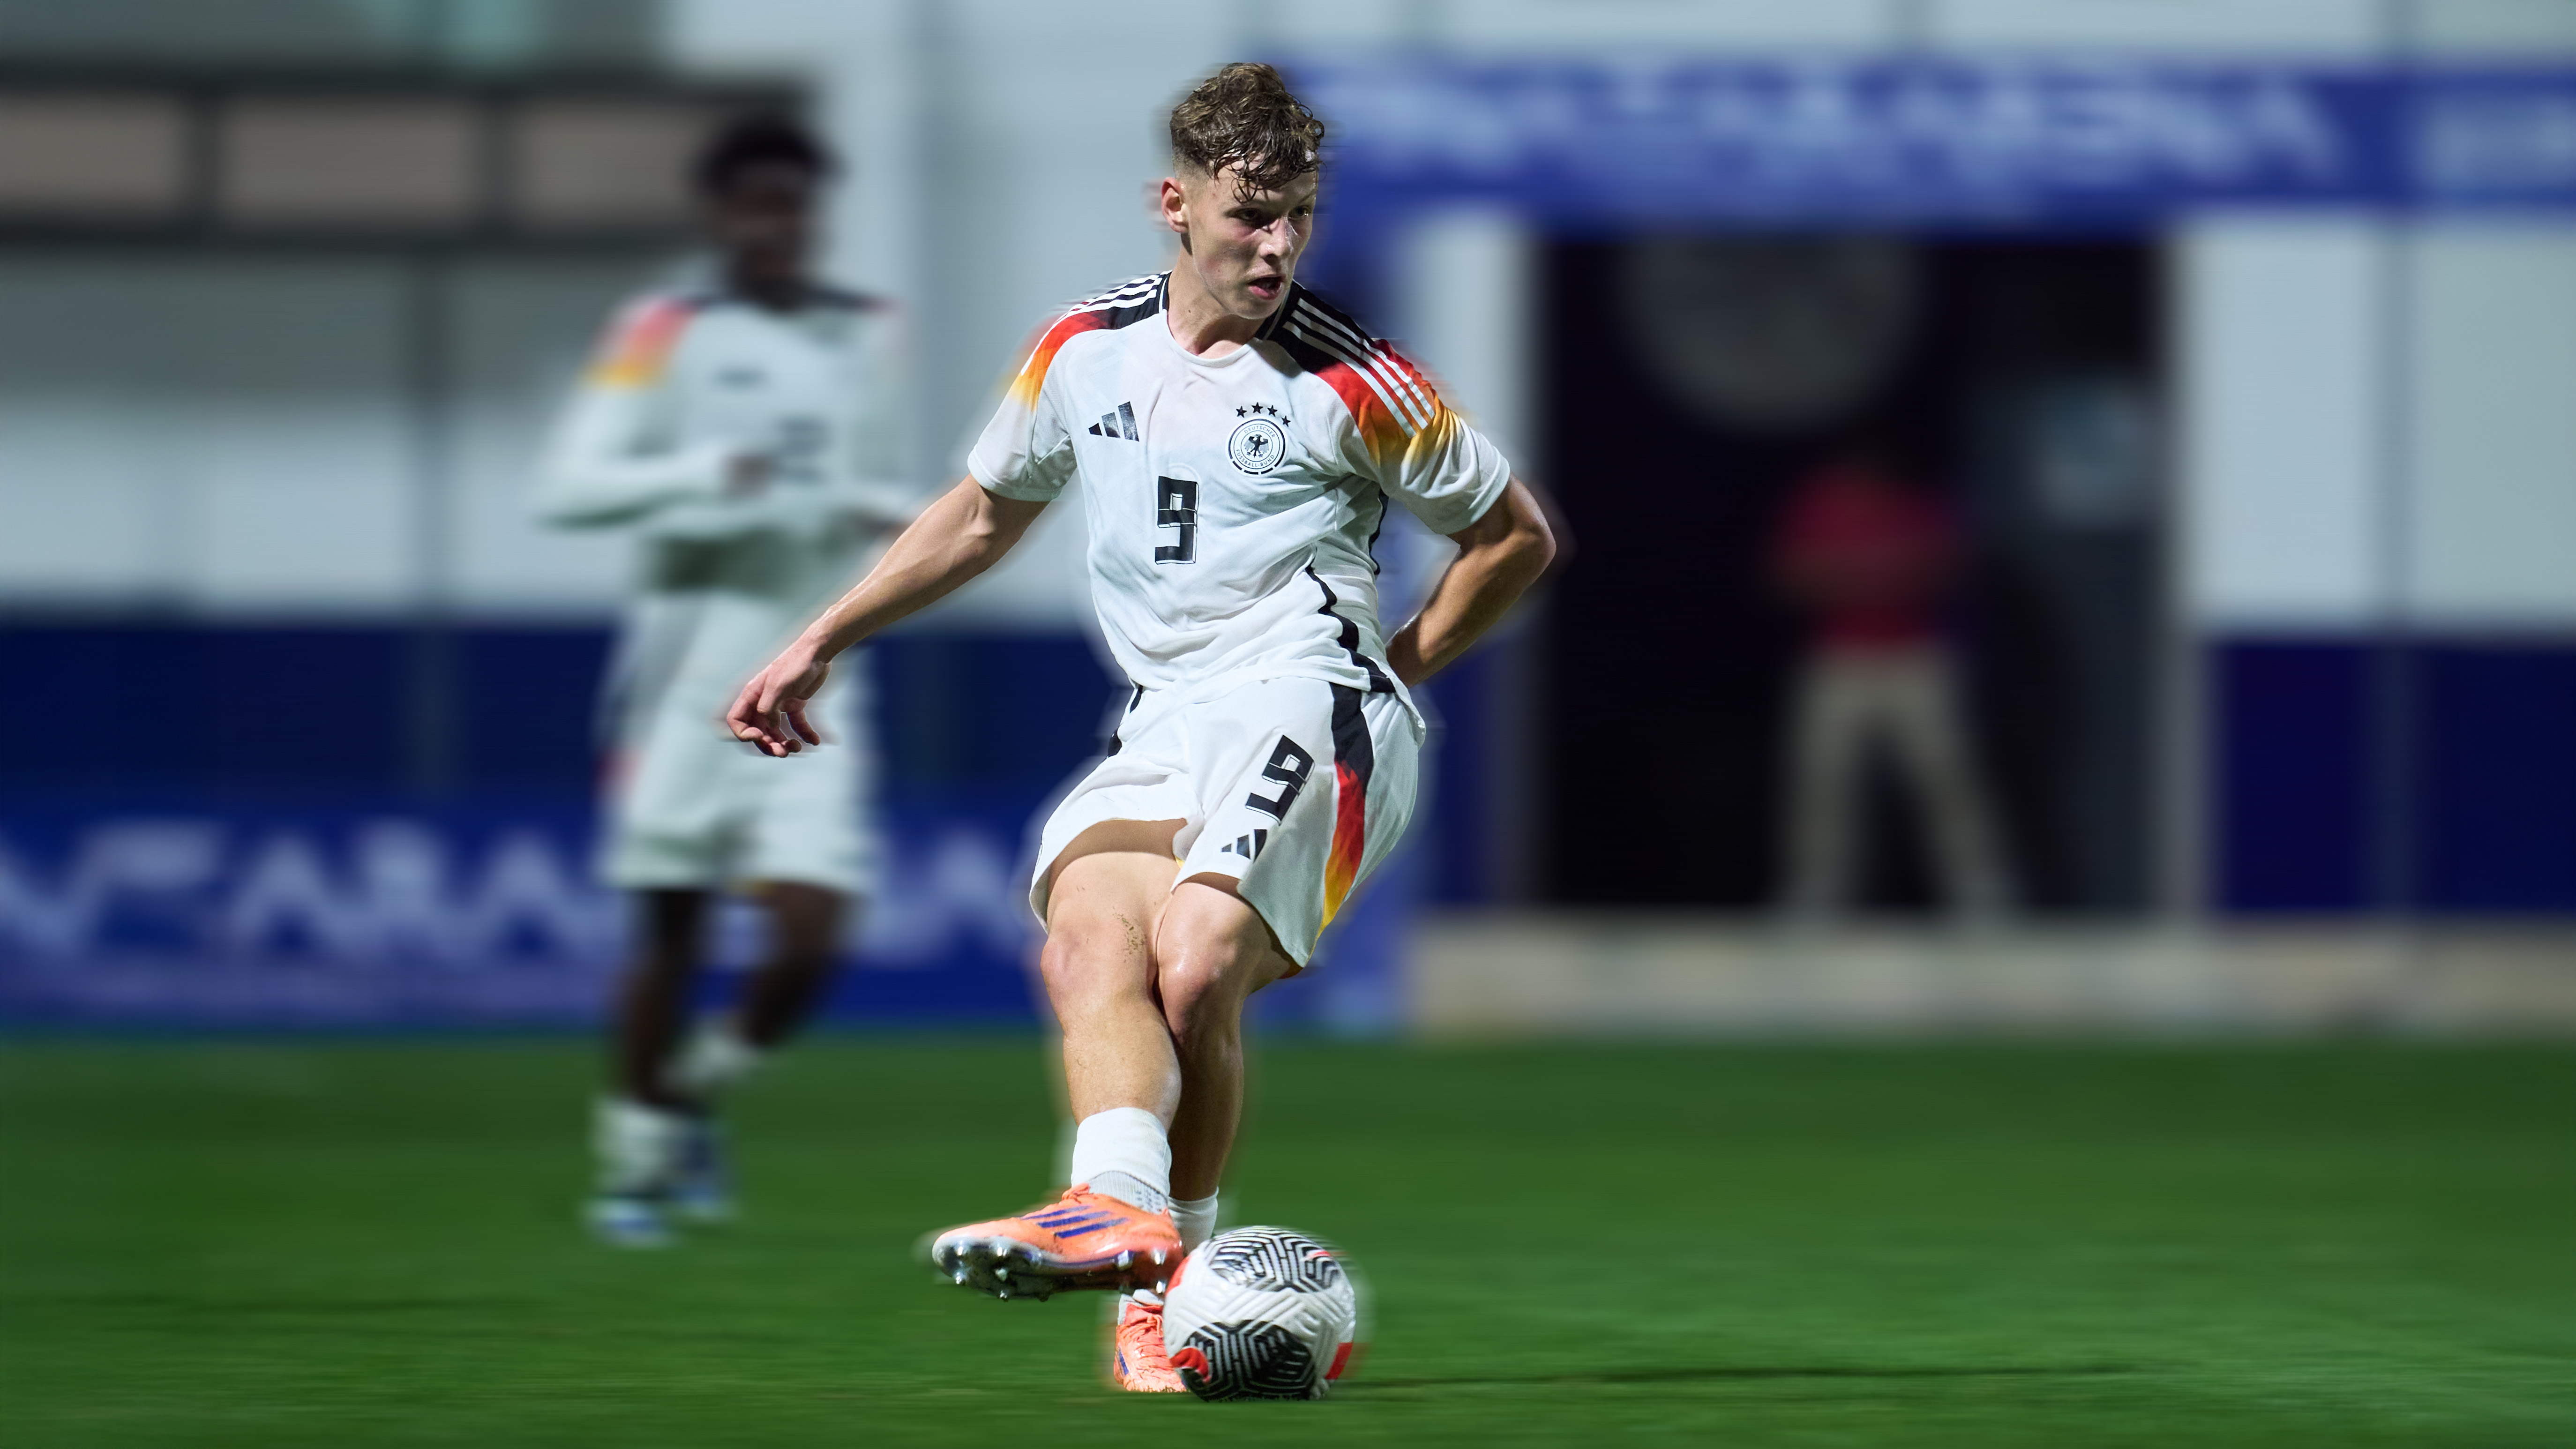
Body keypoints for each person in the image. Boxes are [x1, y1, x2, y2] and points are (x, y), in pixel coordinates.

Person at [724, 63, 1556, 1391]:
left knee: (1193, 949)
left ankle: (1158, 1271)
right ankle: (1126, 1237)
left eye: (1299, 217)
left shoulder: (1359, 381)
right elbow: (984, 511)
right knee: (1088, 947)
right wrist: (820, 636)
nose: (1278, 244)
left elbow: (1515, 537)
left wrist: (1393, 669)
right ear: (1177, 204)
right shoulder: (1080, 351)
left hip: (1307, 694)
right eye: (1251, 215)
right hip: (1166, 719)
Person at [535, 115, 914, 1247]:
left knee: (815, 931)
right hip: (687, 663)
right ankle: (634, 1162)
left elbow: (879, 485)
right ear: (718, 214)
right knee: (675, 930)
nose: (774, 223)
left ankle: (691, 1096)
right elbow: (569, 489)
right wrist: (710, 476)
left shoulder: (871, 333)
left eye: (791, 203)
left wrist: (882, 516)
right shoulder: (662, 330)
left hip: (814, 668)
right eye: (753, 202)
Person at [1770, 451, 2010, 924]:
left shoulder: (1921, 505)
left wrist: (1887, 574)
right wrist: (1848, 576)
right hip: (1839, 658)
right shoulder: (1821, 505)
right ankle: (1818, 894)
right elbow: (1786, 576)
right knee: (1824, 780)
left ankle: (1980, 892)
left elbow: (1954, 567)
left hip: (1916, 657)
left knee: (1946, 777)